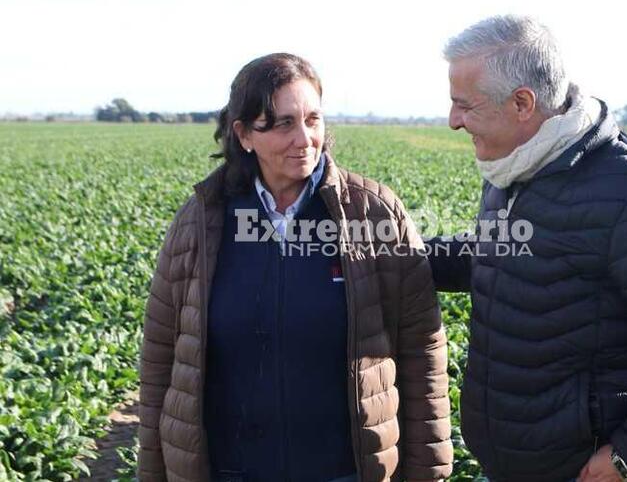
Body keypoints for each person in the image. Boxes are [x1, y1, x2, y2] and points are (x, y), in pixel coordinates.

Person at [427, 15, 627, 482]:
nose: (453, 121)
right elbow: (497, 253)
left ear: (523, 103)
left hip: (587, 471)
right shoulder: (517, 170)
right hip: (515, 463)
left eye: (465, 106)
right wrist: (385, 251)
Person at [137, 53, 453, 482]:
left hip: (347, 470)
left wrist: (427, 472)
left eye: (313, 119)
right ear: (244, 134)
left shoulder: (373, 213)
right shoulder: (201, 221)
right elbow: (161, 357)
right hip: (232, 470)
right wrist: (154, 470)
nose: (304, 138)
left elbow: (421, 350)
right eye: (283, 123)